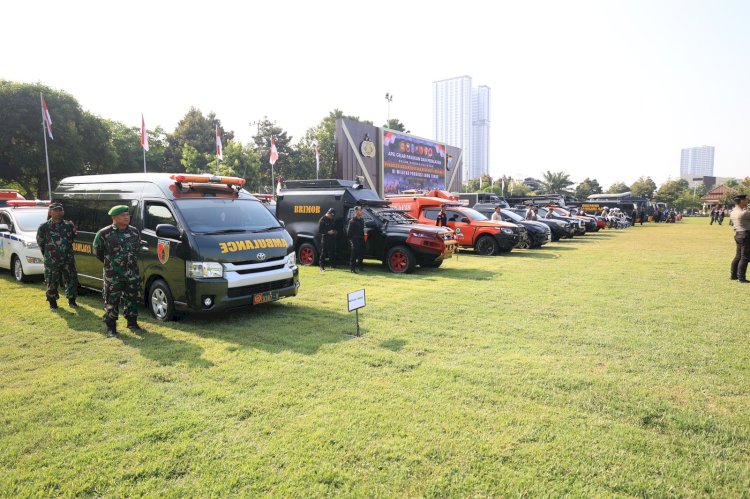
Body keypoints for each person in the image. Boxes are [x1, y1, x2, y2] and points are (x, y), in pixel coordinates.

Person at [93, 205, 144, 337]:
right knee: (111, 300)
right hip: (113, 275)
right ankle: (111, 328)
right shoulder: (104, 233)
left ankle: (132, 323)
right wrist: (111, 264)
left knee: (132, 298)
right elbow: (98, 252)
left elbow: (137, 249)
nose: (127, 217)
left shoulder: (134, 232)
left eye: (127, 214)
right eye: (123, 215)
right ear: (114, 217)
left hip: (131, 273)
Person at [36, 202, 78, 310]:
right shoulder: (44, 227)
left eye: (60, 210)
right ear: (50, 212)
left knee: (71, 279)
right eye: (55, 210)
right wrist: (48, 255)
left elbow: (72, 239)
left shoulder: (69, 225)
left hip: (67, 258)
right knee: (52, 280)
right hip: (52, 260)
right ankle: (52, 302)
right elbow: (41, 243)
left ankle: (72, 300)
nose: (58, 212)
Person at [729, 194, 750, 282]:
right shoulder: (744, 213)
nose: (747, 200)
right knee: (745, 257)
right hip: (746, 234)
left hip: (738, 234)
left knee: (738, 256)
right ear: (741, 201)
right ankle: (741, 278)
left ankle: (733, 275)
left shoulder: (733, 212)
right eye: (746, 199)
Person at [347, 206, 365, 273]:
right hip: (355, 239)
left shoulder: (362, 220)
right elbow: (349, 232)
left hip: (361, 239)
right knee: (354, 254)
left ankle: (360, 267)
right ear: (356, 211)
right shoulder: (352, 221)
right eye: (360, 210)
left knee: (361, 253)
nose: (361, 211)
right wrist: (351, 241)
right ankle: (352, 268)